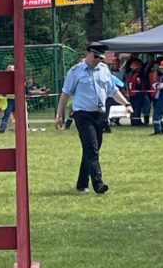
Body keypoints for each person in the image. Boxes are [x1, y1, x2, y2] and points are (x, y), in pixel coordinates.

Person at [54, 43, 132, 194]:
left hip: (99, 114)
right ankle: (98, 184)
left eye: (101, 57)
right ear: (88, 53)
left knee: (91, 150)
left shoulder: (104, 70)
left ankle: (82, 183)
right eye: (96, 56)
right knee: (92, 148)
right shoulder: (75, 71)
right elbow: (65, 93)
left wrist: (126, 103)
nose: (98, 59)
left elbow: (112, 90)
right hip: (82, 114)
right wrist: (59, 114)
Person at [0, 65, 16, 132]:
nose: (10, 71)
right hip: (9, 100)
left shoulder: (18, 77)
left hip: (18, 99)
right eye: (9, 69)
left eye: (11, 69)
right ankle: (2, 128)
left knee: (20, 116)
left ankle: (23, 128)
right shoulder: (4, 79)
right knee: (6, 115)